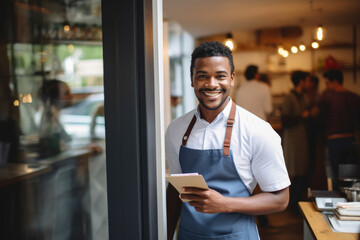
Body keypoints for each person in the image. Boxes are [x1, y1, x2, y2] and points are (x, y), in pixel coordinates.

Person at [166, 41, 290, 240]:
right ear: (191, 79)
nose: (211, 84)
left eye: (220, 76)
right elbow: (174, 192)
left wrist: (224, 204)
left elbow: (280, 200)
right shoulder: (176, 129)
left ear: (232, 79)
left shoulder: (258, 131)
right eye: (202, 76)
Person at [312, 69, 360, 190]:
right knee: (351, 178)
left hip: (334, 141)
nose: (326, 87)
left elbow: (314, 113)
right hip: (352, 141)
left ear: (334, 82)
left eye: (327, 83)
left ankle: (334, 205)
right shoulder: (355, 97)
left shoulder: (328, 97)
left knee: (333, 178)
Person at [281, 70, 310, 210]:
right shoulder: (289, 97)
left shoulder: (302, 96)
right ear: (301, 81)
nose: (308, 83)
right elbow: (285, 120)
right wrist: (302, 116)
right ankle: (291, 204)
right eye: (306, 80)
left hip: (301, 137)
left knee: (301, 169)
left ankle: (295, 202)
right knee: (293, 169)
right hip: (293, 138)